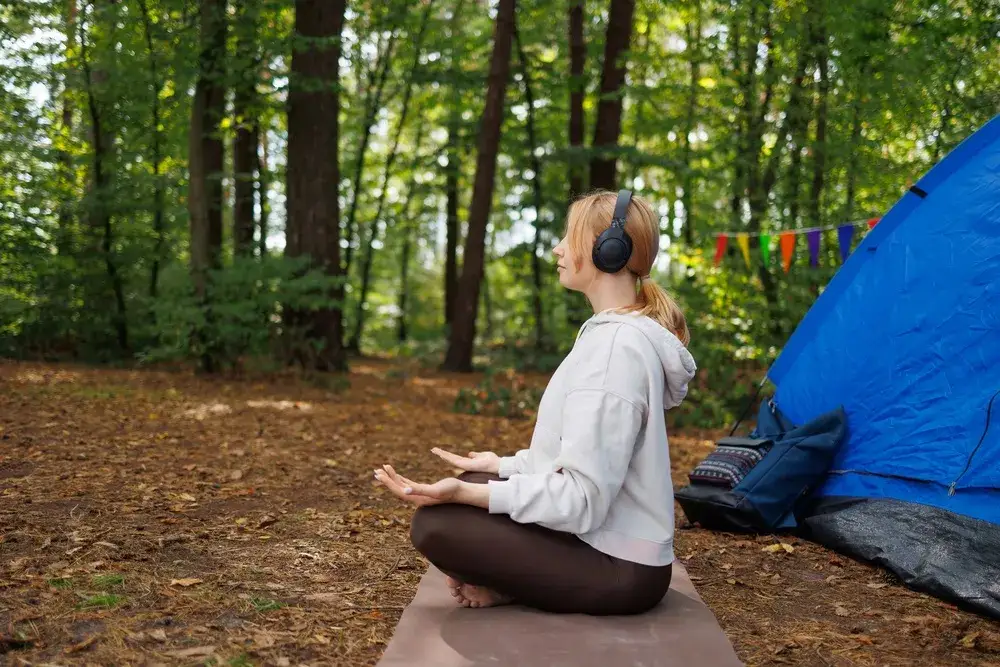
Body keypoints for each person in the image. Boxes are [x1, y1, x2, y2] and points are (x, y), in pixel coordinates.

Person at [374, 189, 696, 616]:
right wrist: (501, 467)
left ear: (608, 250)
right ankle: (515, 581)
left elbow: (582, 498)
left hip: (622, 567)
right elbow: (577, 458)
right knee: (472, 480)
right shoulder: (610, 334)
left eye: (569, 237)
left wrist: (469, 495)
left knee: (438, 524)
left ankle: (517, 587)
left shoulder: (615, 350)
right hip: (605, 542)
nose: (558, 248)